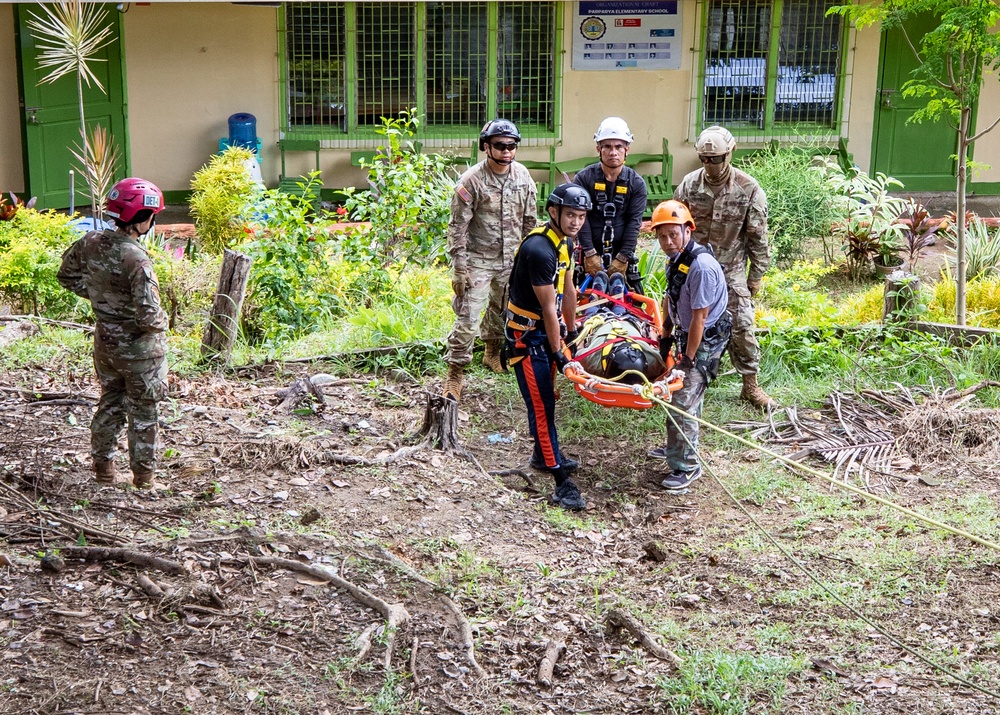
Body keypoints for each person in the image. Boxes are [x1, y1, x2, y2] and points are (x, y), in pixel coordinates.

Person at [57, 178, 169, 489]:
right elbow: (149, 315)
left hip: (105, 344)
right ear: (143, 219)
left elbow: (66, 275)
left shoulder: (90, 241)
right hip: (140, 352)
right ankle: (145, 480)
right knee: (144, 411)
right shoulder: (137, 259)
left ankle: (104, 472)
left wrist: (101, 299)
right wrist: (163, 323)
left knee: (111, 402)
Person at [673, 125, 774, 409]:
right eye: (704, 159)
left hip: (730, 271)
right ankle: (684, 377)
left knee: (742, 328)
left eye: (716, 158)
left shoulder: (749, 189)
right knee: (684, 324)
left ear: (730, 153)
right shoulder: (689, 185)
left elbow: (758, 238)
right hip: (693, 270)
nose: (710, 164)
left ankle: (750, 386)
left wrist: (755, 277)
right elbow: (676, 229)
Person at [503, 184, 589, 511]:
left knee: (547, 397)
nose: (576, 222)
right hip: (527, 338)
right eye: (570, 215)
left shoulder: (564, 243)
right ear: (554, 212)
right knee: (542, 407)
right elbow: (547, 309)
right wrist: (558, 352)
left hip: (544, 331)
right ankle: (559, 481)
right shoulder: (539, 249)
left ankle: (543, 455)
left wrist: (574, 330)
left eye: (581, 217)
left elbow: (567, 291)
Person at [443, 118, 538, 401]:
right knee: (468, 317)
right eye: (500, 145)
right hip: (477, 260)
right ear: (486, 147)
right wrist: (460, 269)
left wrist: (529, 259)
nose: (506, 151)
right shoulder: (471, 180)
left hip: (511, 260)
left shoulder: (523, 177)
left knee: (502, 309)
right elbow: (457, 227)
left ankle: (492, 352)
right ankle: (455, 372)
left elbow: (530, 222)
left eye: (512, 146)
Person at [646, 200, 731, 491]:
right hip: (687, 332)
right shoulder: (678, 259)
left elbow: (700, 317)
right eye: (662, 236)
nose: (668, 241)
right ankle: (678, 447)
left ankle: (687, 466)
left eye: (673, 234)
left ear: (688, 230)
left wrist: (688, 359)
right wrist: (666, 333)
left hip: (704, 338)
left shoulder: (702, 268)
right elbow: (671, 296)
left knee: (683, 401)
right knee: (680, 396)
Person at [573, 117, 648, 292]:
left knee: (631, 305)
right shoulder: (584, 179)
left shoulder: (636, 184)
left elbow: (634, 222)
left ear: (627, 149)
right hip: (590, 251)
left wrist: (622, 258)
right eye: (607, 146)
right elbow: (580, 217)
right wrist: (590, 254)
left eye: (618, 147)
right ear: (598, 148)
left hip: (622, 252)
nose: (613, 152)